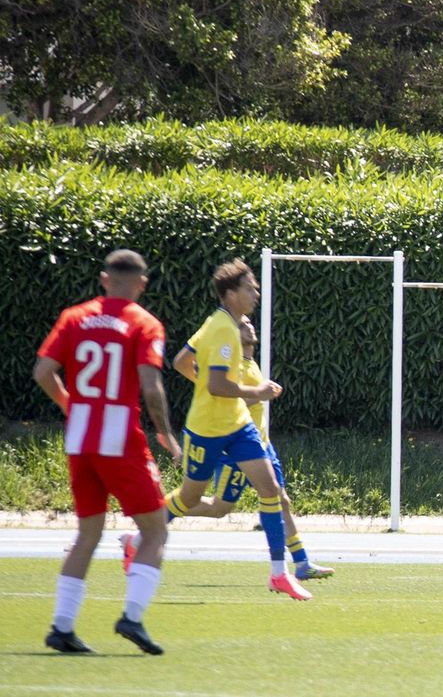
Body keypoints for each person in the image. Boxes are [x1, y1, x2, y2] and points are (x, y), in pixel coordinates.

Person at [33, 249, 182, 655]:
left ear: (103, 279)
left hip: (80, 436)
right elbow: (151, 387)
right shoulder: (144, 322)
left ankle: (62, 626)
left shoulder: (74, 316)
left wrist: (69, 403)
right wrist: (166, 434)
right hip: (120, 436)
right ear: (142, 283)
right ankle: (132, 617)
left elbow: (43, 372)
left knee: (88, 533)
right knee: (155, 531)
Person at [122, 314, 332, 581]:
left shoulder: (247, 361)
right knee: (220, 506)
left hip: (262, 444)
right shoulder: (234, 366)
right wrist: (257, 395)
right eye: (243, 324)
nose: (250, 326)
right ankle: (152, 518)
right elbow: (225, 398)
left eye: (250, 323)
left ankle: (301, 563)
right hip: (242, 445)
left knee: (272, 500)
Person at [164, 258, 312, 601]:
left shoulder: (227, 326)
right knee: (192, 498)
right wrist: (256, 393)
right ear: (230, 294)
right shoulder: (222, 330)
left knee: (271, 489)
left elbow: (183, 362)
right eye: (249, 288)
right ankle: (144, 533)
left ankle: (280, 573)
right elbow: (216, 386)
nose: (256, 293)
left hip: (238, 425)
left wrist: (214, 384)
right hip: (207, 427)